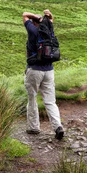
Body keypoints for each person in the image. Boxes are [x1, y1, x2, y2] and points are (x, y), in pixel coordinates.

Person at [23, 9, 64, 140]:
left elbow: (24, 14)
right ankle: (58, 126)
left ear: (34, 22)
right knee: (50, 101)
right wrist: (46, 16)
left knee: (32, 98)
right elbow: (51, 18)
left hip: (34, 70)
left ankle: (33, 127)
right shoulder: (49, 31)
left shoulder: (33, 30)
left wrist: (36, 17)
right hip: (49, 71)